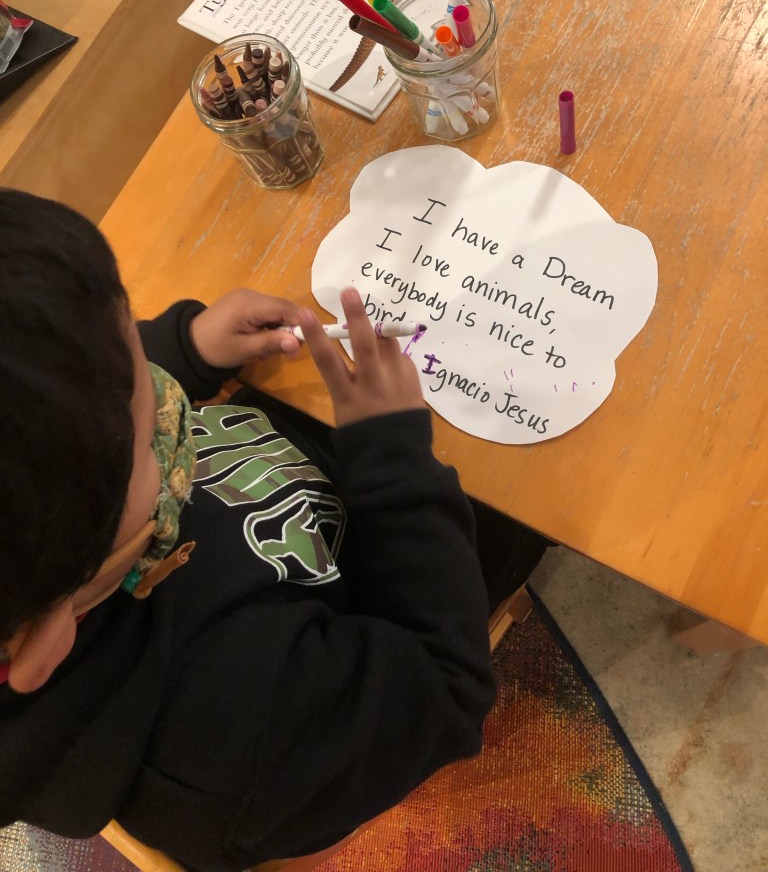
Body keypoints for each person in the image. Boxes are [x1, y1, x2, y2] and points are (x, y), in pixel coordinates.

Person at [0, 189, 548, 871]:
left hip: (328, 466)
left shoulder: (41, 531)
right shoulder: (243, 740)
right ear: (45, 643)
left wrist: (182, 349)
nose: (167, 401)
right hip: (412, 584)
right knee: (544, 496)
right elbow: (445, 687)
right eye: (152, 429)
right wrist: (394, 457)